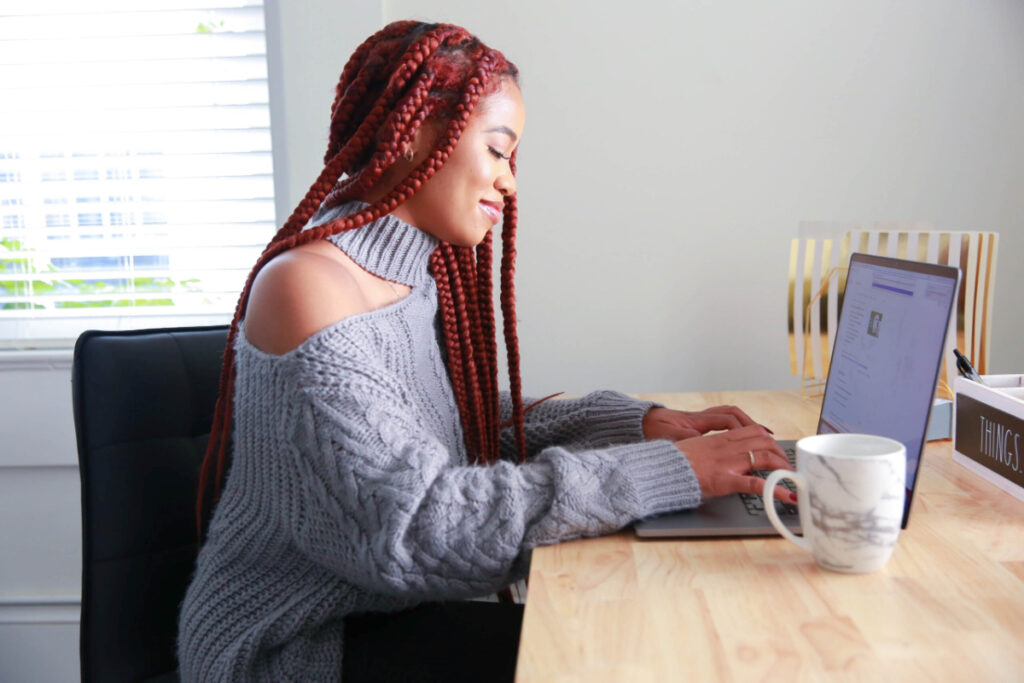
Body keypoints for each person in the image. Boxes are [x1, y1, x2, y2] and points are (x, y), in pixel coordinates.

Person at [177, 20, 794, 682]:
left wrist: (635, 425)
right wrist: (662, 472)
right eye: (499, 151)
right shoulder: (308, 287)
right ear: (415, 134)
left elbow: (454, 430)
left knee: (623, 628)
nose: (510, 183)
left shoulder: (410, 273)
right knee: (609, 654)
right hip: (293, 647)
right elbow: (415, 527)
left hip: (386, 612)